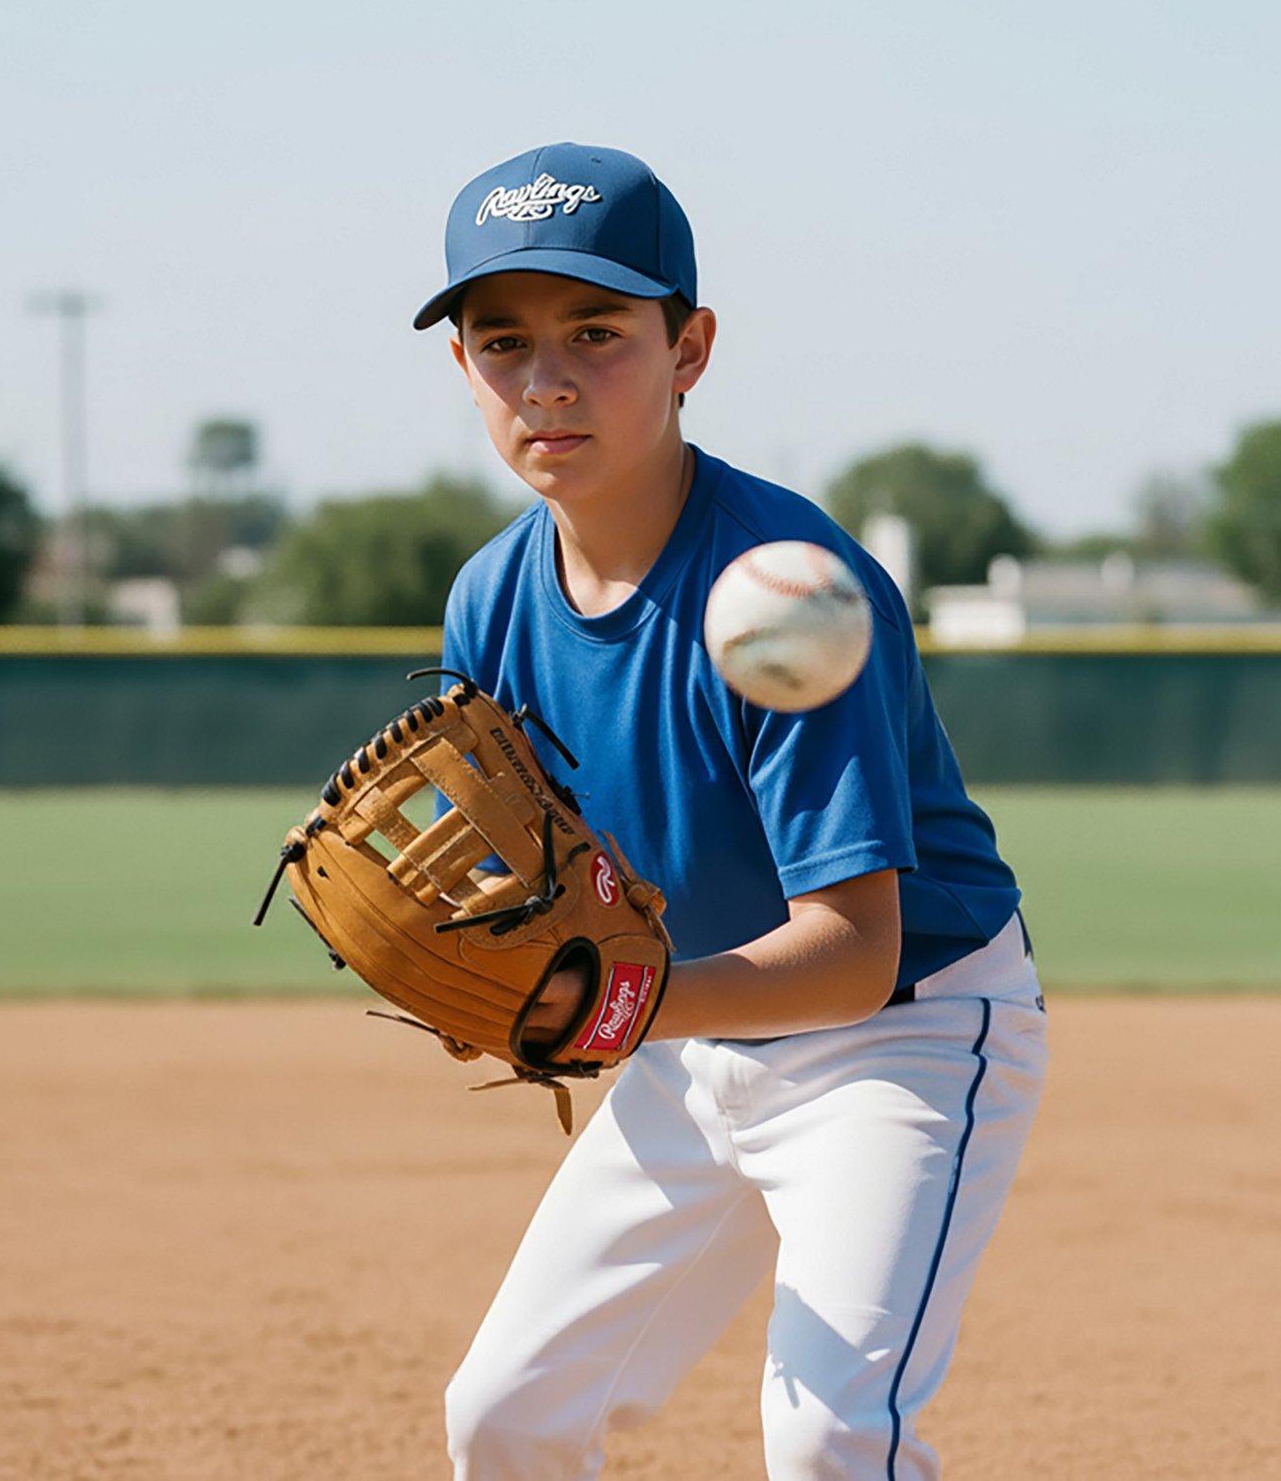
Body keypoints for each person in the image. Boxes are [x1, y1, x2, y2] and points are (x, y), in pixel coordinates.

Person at [413, 141, 1047, 1481]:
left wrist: (608, 1006)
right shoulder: (490, 601)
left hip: (900, 1034)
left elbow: (855, 952)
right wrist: (495, 946)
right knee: (505, 1413)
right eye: (502, 340)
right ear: (463, 366)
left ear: (689, 349)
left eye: (598, 332)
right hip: (696, 1034)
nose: (547, 379)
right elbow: (539, 875)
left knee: (829, 1435)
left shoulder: (780, 593)